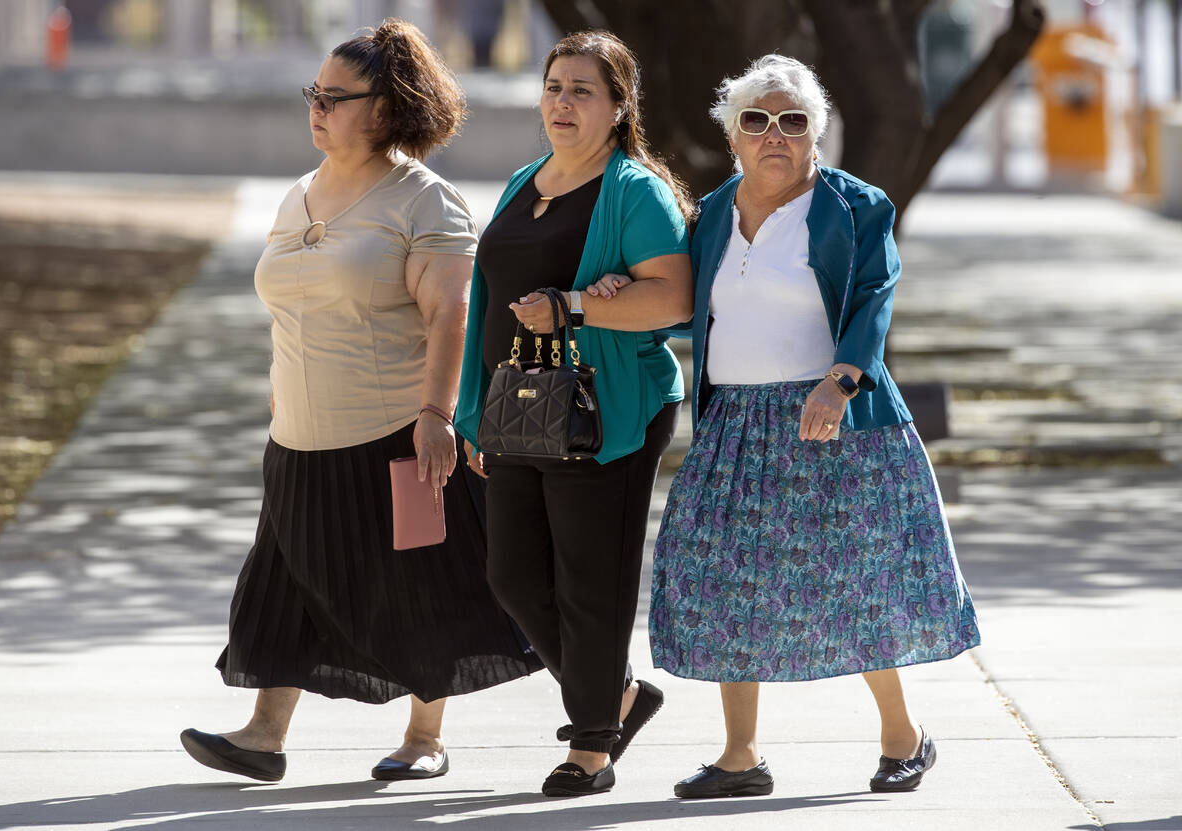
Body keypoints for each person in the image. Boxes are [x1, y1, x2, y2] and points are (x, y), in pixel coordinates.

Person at [179, 20, 541, 784]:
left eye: (335, 97)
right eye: (314, 93)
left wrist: (438, 416)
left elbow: (453, 313)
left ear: (387, 107)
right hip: (299, 436)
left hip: (394, 435)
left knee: (422, 587)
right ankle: (263, 734)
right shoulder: (297, 195)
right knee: (282, 583)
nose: (317, 107)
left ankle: (424, 738)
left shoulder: (424, 201)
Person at [645, 54, 981, 799]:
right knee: (725, 579)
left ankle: (905, 736)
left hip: (834, 419)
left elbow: (874, 294)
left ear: (813, 136)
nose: (774, 133)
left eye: (791, 120)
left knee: (856, 580)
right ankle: (740, 756)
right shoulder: (707, 217)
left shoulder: (856, 207)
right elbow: (677, 299)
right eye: (756, 120)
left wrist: (841, 379)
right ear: (733, 136)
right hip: (735, 424)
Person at [453, 30, 693, 797]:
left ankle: (592, 743)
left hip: (608, 405)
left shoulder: (634, 191)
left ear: (620, 106)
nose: (562, 102)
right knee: (513, 575)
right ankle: (618, 696)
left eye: (582, 90)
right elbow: (486, 300)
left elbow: (675, 299)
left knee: (592, 579)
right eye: (554, 86)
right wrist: (470, 408)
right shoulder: (529, 179)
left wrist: (577, 305)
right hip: (520, 407)